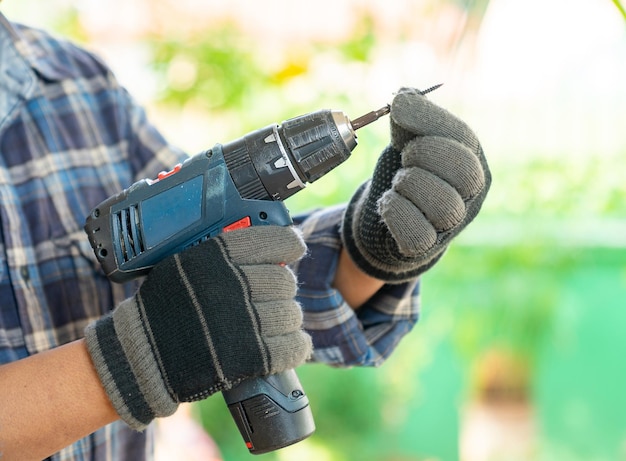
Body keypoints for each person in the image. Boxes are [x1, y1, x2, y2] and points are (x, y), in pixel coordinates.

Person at [0, 10, 490, 461]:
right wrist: (138, 360)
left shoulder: (77, 84)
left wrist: (369, 252)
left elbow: (220, 280)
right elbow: (184, 323)